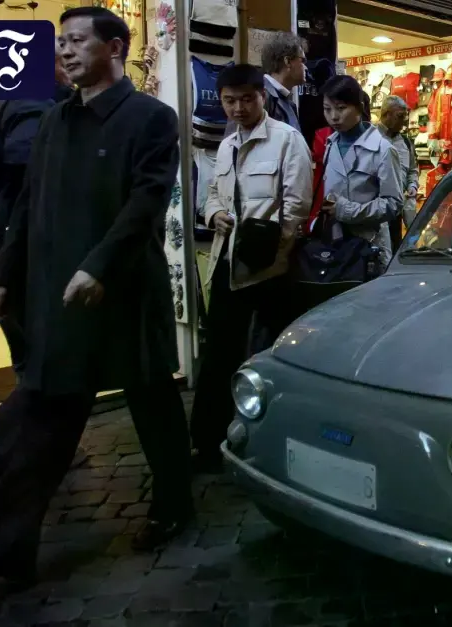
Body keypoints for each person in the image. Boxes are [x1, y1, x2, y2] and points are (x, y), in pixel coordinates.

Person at [0, 7, 197, 579]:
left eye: (76, 41)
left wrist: (98, 266)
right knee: (50, 418)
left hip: (122, 292)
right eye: (60, 43)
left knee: (153, 407)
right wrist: (1, 275)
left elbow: (145, 203)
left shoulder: (151, 119)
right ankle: (4, 548)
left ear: (115, 47)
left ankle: (174, 507)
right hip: (58, 298)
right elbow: (25, 204)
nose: (63, 52)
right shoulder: (54, 120)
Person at [0, 57, 79, 504]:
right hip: (22, 258)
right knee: (51, 364)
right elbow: (35, 187)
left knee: (32, 359)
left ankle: (32, 454)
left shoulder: (0, 110)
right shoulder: (34, 110)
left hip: (0, 254)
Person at [189, 64, 312, 473]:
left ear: (262, 96)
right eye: (229, 101)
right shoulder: (225, 146)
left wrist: (277, 252)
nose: (237, 108)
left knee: (276, 355)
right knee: (219, 353)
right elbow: (211, 193)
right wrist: (215, 215)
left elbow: (297, 205)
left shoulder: (286, 140)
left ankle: (277, 440)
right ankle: (207, 442)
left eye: (246, 99)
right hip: (229, 264)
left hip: (271, 269)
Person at [319, 75, 403, 273]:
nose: (333, 117)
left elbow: (393, 203)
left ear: (358, 107)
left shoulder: (382, 149)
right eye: (327, 109)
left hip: (368, 249)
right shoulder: (331, 145)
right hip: (335, 245)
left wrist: (348, 210)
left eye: (341, 108)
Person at [376, 95, 420, 250]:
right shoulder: (371, 140)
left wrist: (412, 186)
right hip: (377, 210)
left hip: (399, 208)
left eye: (405, 116)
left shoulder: (406, 142)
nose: (404, 121)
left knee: (396, 246)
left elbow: (413, 170)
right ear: (387, 114)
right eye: (400, 116)